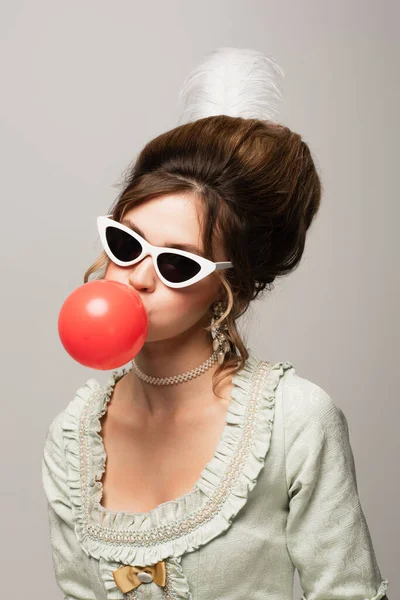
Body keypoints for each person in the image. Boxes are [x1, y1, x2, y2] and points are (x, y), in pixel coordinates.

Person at [42, 47, 389, 599]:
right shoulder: (73, 435)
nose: (137, 277)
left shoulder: (295, 422)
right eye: (125, 243)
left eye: (178, 263)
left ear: (232, 290)